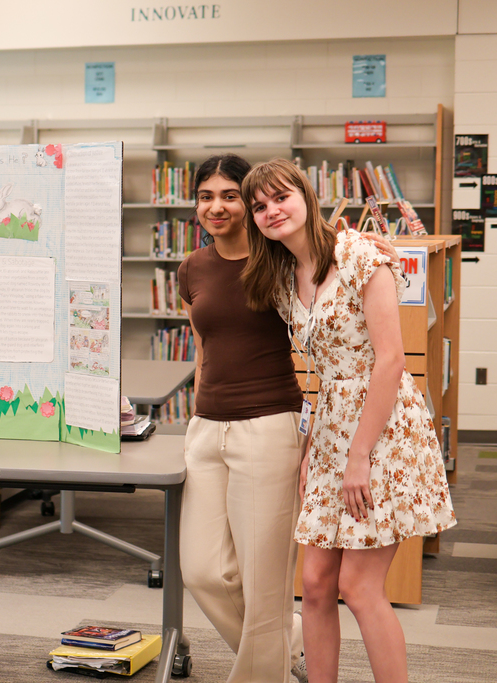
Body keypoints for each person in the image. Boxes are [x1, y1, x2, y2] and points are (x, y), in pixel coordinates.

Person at [240, 158, 456, 683]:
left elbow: (391, 360)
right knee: (313, 583)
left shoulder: (358, 254)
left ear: (306, 197)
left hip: (383, 431)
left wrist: (358, 455)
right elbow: (327, 374)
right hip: (333, 428)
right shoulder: (283, 279)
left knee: (359, 588)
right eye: (260, 206)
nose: (272, 211)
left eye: (281, 197)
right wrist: (316, 445)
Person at [177, 154, 308, 683]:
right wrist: (194, 416)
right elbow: (204, 346)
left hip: (269, 424)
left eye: (230, 195)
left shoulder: (281, 257)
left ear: (250, 202)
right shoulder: (191, 267)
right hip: (207, 427)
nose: (217, 206)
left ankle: (264, 669)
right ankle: (291, 643)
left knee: (264, 581)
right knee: (203, 570)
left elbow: (332, 250)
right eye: (206, 196)